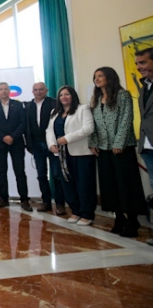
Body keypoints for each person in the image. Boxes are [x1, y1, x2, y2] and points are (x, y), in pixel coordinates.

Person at [89, 67, 147, 235]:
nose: (97, 79)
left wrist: (119, 142)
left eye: (100, 76)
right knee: (110, 186)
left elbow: (126, 119)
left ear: (110, 77)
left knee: (126, 184)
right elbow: (94, 124)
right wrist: (93, 143)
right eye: (95, 76)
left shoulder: (123, 95)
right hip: (103, 148)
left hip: (121, 148)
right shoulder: (97, 98)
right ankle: (119, 217)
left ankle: (133, 220)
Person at [46, 86, 96, 226]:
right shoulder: (54, 112)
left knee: (84, 184)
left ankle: (87, 214)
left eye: (67, 94)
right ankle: (76, 211)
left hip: (80, 153)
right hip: (61, 155)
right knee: (67, 183)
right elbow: (49, 130)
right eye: (61, 95)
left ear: (73, 95)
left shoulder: (83, 109)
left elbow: (88, 128)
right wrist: (51, 145)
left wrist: (67, 138)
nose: (64, 97)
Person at [0, 82, 31, 211]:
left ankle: (24, 199)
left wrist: (12, 136)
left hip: (16, 142)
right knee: (1, 171)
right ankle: (3, 198)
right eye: (1, 89)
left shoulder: (18, 105)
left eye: (6, 89)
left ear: (9, 91)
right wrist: (3, 137)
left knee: (20, 171)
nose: (3, 91)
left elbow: (23, 123)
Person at [25, 82, 66, 214]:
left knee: (56, 174)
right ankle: (46, 201)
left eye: (41, 89)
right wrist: (28, 144)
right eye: (35, 90)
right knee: (41, 175)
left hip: (53, 144)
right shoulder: (28, 106)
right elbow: (26, 127)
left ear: (46, 90)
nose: (38, 92)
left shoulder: (55, 104)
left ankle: (60, 203)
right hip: (36, 145)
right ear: (32, 92)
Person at [134, 47, 153, 245]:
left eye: (144, 62)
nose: (140, 67)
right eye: (138, 64)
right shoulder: (144, 87)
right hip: (147, 146)